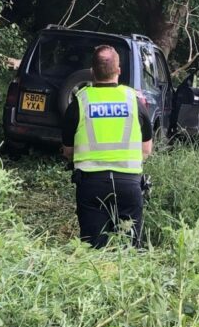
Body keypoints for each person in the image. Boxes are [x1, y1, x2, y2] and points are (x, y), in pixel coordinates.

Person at [61, 45, 153, 248]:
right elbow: (146, 150)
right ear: (119, 70)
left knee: (93, 249)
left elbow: (68, 151)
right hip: (129, 184)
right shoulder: (134, 100)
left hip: (91, 185)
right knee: (129, 250)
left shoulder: (80, 101)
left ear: (92, 71)